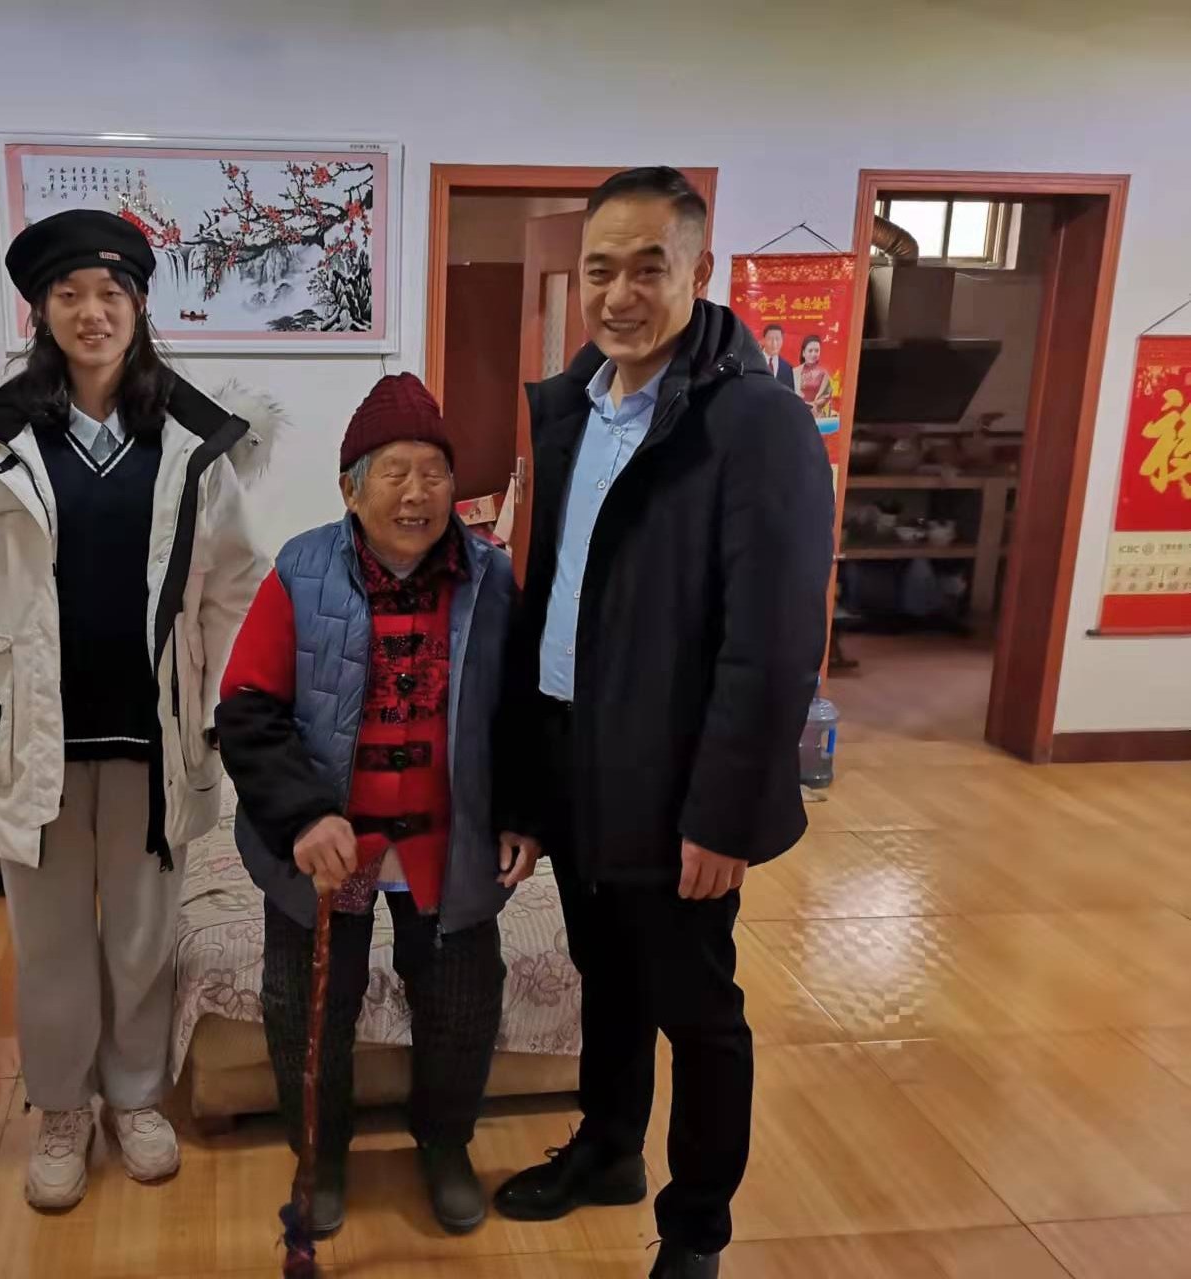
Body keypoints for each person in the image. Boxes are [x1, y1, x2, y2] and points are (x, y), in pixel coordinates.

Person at [491, 167, 833, 1278]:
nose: (619, 294)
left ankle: (695, 1230)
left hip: (674, 773)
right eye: (601, 269)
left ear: (699, 269)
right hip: (570, 749)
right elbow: (545, 602)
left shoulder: (754, 423)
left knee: (696, 1006)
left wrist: (722, 814)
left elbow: (773, 641)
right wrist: (524, 787)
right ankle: (606, 1148)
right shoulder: (572, 407)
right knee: (607, 973)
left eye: (649, 267)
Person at [0, 208, 273, 1210]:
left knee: (142, 935)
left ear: (139, 307)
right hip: (37, 739)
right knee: (53, 937)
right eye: (70, 294)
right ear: (42, 310)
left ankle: (137, 1097)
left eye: (111, 294)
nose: (92, 312)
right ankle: (63, 1107)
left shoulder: (191, 438)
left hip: (154, 731)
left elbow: (236, 586)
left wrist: (231, 710)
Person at [216, 373, 539, 1239]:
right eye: (394, 472)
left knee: (462, 1002)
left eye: (434, 472)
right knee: (307, 1008)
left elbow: (521, 712)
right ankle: (320, 1154)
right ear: (349, 488)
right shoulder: (301, 570)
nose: (416, 493)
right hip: (328, 844)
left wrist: (522, 810)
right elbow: (246, 706)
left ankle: (445, 1143)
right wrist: (302, 815)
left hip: (448, 841)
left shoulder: (490, 578)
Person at [794, 333, 834, 417]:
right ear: (803, 353)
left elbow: (825, 397)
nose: (813, 354)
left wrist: (813, 405)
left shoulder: (823, 374)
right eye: (810, 351)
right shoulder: (794, 372)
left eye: (816, 351)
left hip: (816, 415)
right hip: (796, 413)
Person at [760, 323, 796, 389]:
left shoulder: (787, 368)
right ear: (763, 340)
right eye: (770, 339)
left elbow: (789, 393)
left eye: (777, 339)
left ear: (782, 341)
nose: (774, 343)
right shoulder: (753, 363)